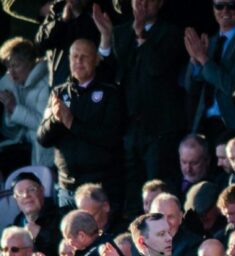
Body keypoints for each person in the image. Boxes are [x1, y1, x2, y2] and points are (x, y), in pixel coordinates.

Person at [92, 0, 187, 216]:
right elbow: (107, 75)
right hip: (130, 127)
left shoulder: (171, 33)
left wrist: (142, 36)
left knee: (158, 187)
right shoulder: (121, 32)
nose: (143, 4)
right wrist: (106, 38)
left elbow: (157, 68)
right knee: (133, 191)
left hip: (161, 128)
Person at [36, 38, 122, 210]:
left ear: (96, 59)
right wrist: (56, 119)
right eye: (74, 57)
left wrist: (72, 123)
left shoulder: (110, 92)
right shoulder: (59, 93)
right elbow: (42, 138)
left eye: (84, 57)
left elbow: (111, 137)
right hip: (67, 187)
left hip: (100, 187)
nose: (78, 61)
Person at [185, 0, 235, 137]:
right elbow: (191, 87)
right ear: (213, 9)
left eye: (231, 6)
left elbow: (233, 86)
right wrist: (195, 61)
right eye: (219, 6)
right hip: (204, 124)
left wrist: (203, 59)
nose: (225, 11)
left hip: (232, 126)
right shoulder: (209, 42)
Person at [0, 37, 54, 169]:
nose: (11, 73)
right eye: (8, 67)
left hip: (47, 157)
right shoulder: (17, 85)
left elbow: (44, 125)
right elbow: (12, 130)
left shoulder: (45, 85)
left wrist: (14, 107)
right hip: (29, 153)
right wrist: (9, 108)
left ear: (31, 62)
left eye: (16, 65)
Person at [11, 172, 61, 256]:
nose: (26, 195)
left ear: (42, 190)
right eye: (20, 192)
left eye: (31, 190)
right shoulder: (13, 228)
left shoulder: (61, 217)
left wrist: (41, 234)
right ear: (15, 198)